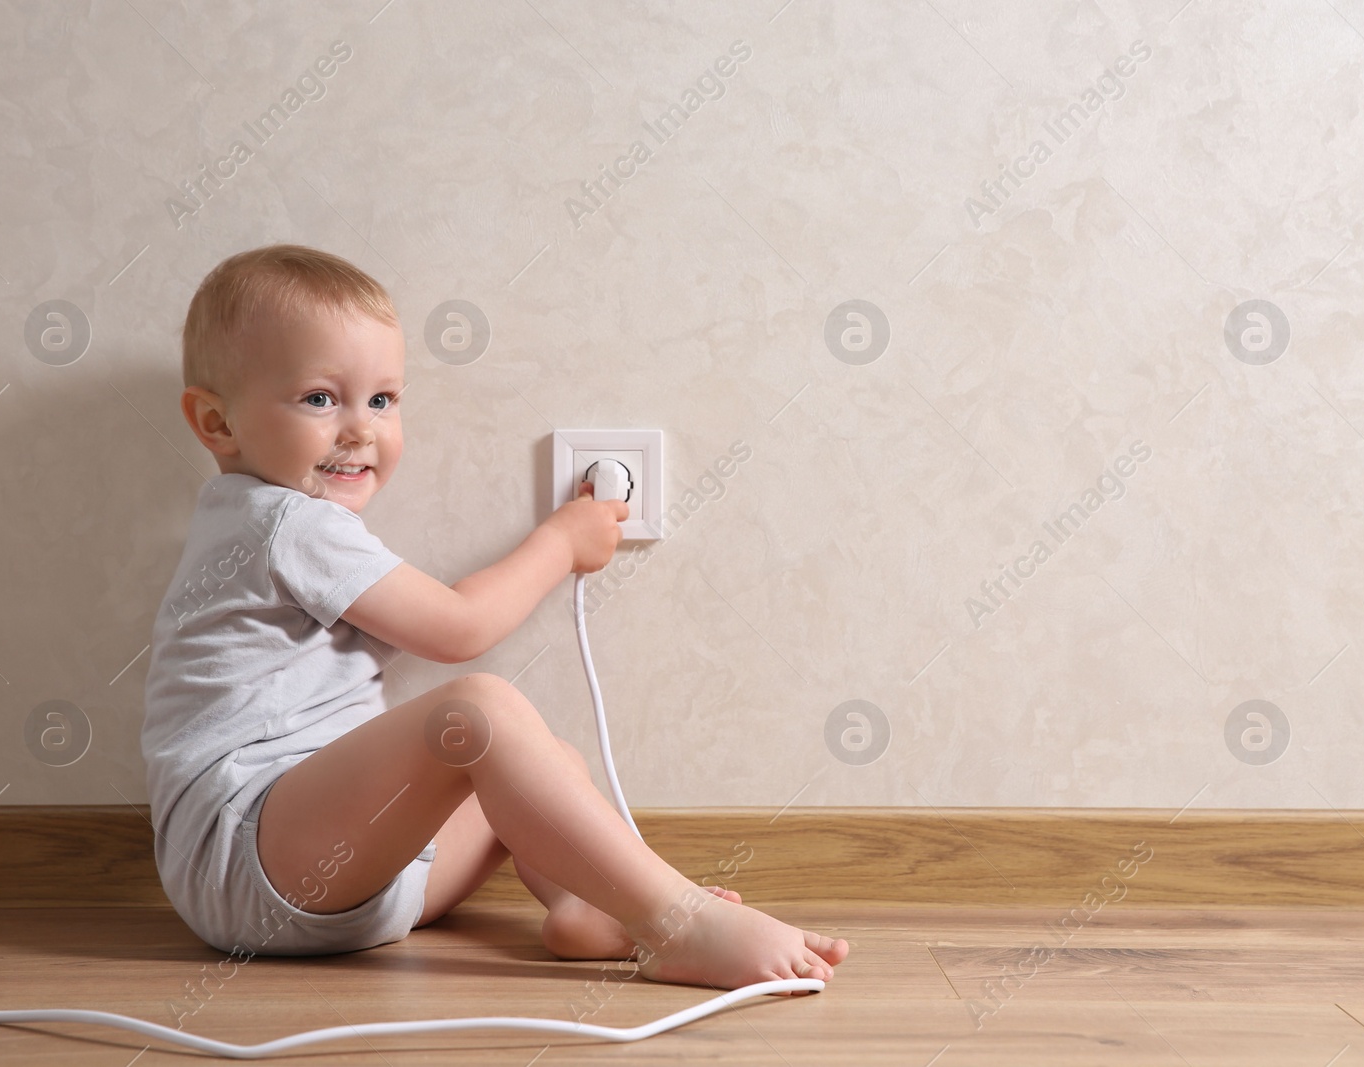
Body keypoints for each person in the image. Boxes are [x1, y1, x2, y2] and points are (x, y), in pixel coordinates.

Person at [141, 244, 849, 992]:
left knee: (549, 764)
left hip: (330, 881)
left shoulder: (272, 524)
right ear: (215, 422)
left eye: (383, 400)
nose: (361, 429)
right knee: (477, 712)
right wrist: (560, 541)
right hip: (250, 862)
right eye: (320, 398)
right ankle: (675, 920)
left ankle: (584, 906)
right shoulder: (280, 521)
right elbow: (458, 628)